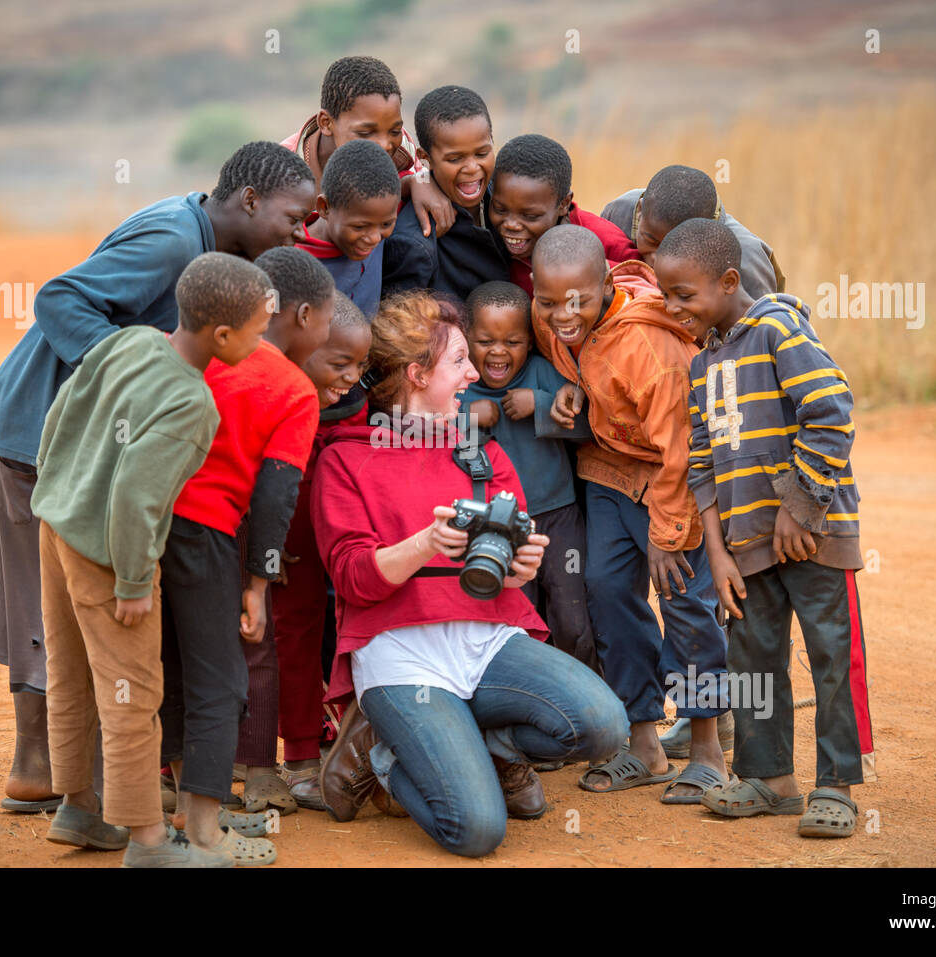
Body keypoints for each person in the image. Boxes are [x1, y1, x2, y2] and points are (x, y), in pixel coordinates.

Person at [0, 141, 316, 813]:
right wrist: (138, 378)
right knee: (49, 604)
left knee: (64, 606)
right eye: (293, 218)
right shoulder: (171, 241)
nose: (298, 233)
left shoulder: (200, 240)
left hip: (78, 435)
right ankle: (39, 764)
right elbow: (60, 299)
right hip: (41, 432)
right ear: (250, 201)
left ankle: (73, 790)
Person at [311, 290, 628, 857]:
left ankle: (482, 741)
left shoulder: (481, 454)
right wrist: (423, 544)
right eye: (458, 361)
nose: (473, 374)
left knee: (604, 725)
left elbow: (506, 568)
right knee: (478, 829)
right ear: (415, 374)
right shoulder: (345, 458)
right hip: (401, 655)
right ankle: (385, 753)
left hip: (487, 641)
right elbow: (354, 577)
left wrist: (518, 568)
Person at [33, 252, 271, 867]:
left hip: (58, 525)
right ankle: (149, 843)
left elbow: (62, 411)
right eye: (259, 327)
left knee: (72, 671)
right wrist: (136, 581)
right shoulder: (193, 404)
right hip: (110, 557)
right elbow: (138, 496)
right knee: (133, 694)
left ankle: (80, 806)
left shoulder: (131, 341)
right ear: (223, 336)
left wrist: (59, 487)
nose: (264, 337)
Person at [654, 219, 874, 837]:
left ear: (728, 281)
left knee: (832, 654)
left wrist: (799, 506)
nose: (673, 308)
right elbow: (702, 462)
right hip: (746, 546)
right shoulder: (702, 365)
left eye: (684, 295)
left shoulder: (779, 328)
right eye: (665, 295)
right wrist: (717, 553)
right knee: (753, 658)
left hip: (814, 535)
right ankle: (770, 778)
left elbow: (831, 410)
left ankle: (837, 784)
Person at [530, 225, 730, 804]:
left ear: (604, 286)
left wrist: (668, 533)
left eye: (577, 303)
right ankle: (643, 742)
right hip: (608, 473)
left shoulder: (650, 350)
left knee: (687, 602)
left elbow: (684, 449)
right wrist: (574, 393)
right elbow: (580, 363)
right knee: (607, 591)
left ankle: (709, 751)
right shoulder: (556, 318)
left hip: (676, 480)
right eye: (547, 302)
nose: (562, 316)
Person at [160, 246, 329, 860]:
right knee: (221, 682)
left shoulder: (200, 347)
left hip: (148, 525)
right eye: (331, 318)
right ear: (304, 317)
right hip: (206, 535)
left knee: (173, 666)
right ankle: (205, 832)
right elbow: (275, 496)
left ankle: (183, 808)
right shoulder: (292, 389)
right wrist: (257, 585)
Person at [459, 281, 598, 671]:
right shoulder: (458, 385)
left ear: (531, 342)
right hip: (495, 526)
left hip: (558, 517)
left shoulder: (540, 373)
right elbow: (419, 433)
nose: (499, 351)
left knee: (573, 618)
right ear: (466, 337)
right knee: (518, 619)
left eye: (513, 341)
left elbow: (589, 425)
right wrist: (466, 419)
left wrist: (539, 405)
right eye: (486, 340)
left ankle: (588, 697)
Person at [273, 292, 373, 808]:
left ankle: (317, 752)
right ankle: (292, 759)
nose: (353, 378)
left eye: (361, 365)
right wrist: (262, 540)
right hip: (274, 543)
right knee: (278, 638)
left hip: (328, 544)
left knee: (318, 631)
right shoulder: (275, 397)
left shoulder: (352, 408)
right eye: (340, 363)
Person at [281, 55, 454, 238]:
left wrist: (419, 180)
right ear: (326, 123)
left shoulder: (402, 147)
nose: (384, 145)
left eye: (394, 131)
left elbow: (419, 180)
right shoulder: (281, 173)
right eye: (365, 133)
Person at [380, 86, 509, 300]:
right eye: (455, 159)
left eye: (482, 153)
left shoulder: (508, 194)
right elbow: (400, 326)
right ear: (425, 158)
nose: (472, 167)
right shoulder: (413, 245)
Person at [600, 164, 785, 300]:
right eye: (650, 240)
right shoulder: (620, 213)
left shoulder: (744, 259)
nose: (658, 259)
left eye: (675, 247)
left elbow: (759, 337)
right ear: (640, 211)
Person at [486, 133, 639, 296]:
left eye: (530, 216)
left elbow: (645, 286)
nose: (511, 224)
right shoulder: (490, 239)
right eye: (500, 209)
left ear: (563, 204)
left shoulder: (603, 239)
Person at [297, 139, 400, 314]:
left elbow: (420, 169)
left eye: (386, 224)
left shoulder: (376, 212)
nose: (374, 238)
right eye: (360, 227)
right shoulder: (294, 265)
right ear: (325, 207)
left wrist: (420, 183)